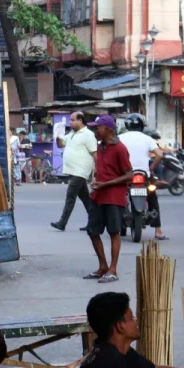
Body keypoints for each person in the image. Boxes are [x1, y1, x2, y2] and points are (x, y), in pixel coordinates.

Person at [82, 115, 133, 283]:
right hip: (98, 195)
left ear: (108, 129)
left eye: (98, 128)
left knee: (114, 232)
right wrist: (96, 181)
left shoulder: (120, 148)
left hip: (113, 196)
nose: (96, 131)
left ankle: (113, 269)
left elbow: (129, 174)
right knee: (92, 231)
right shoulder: (100, 147)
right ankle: (103, 266)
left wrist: (106, 184)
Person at [117, 114, 167, 240]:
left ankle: (116, 226)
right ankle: (158, 231)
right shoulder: (147, 138)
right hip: (143, 175)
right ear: (141, 126)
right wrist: (151, 168)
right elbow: (160, 155)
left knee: (118, 195)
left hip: (126, 175)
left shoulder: (120, 138)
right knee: (152, 198)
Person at [51, 111, 96, 232]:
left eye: (72, 120)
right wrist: (58, 136)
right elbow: (61, 145)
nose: (70, 122)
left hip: (80, 171)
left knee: (70, 196)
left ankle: (62, 222)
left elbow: (95, 154)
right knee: (86, 199)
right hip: (73, 171)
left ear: (80, 121)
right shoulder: (72, 133)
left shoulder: (88, 134)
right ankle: (94, 222)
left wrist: (96, 173)